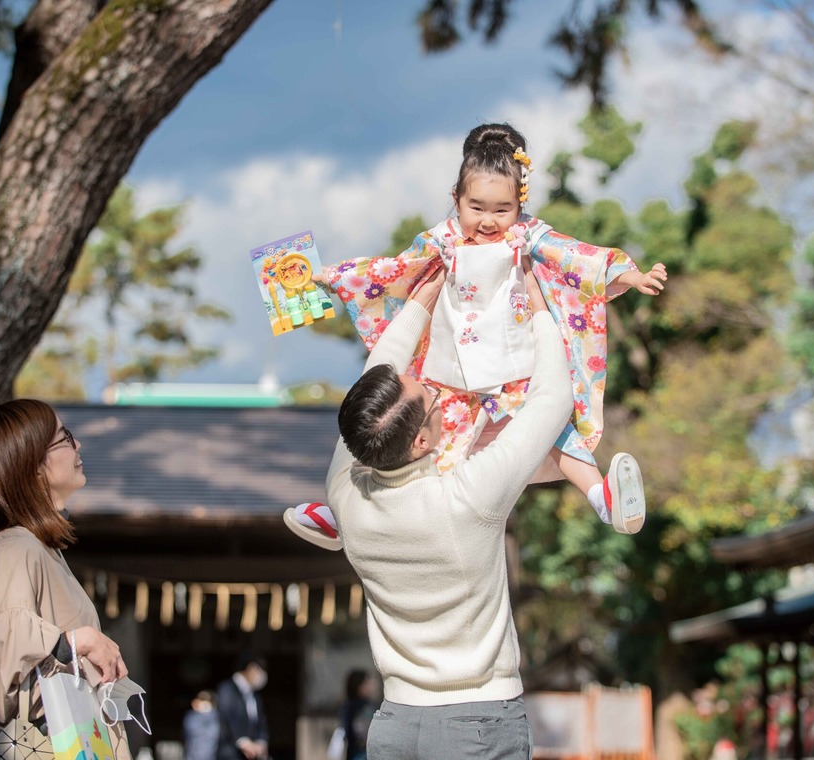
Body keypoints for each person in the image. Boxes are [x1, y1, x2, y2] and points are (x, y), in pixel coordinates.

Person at [285, 122, 666, 550]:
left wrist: (626, 273)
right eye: (477, 207)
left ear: (520, 204)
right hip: (450, 377)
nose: (488, 221)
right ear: (457, 199)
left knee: (555, 430)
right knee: (400, 436)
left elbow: (576, 256)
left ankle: (602, 499)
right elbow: (392, 270)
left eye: (502, 210)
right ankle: (343, 513)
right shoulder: (441, 240)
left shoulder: (528, 237)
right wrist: (326, 276)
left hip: (515, 369)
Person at [316, 261, 572, 758]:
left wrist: (417, 306)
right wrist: (543, 312)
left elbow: (374, 388)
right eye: (432, 401)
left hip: (393, 724)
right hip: (476, 722)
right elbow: (553, 399)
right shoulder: (467, 497)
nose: (436, 392)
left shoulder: (345, 493)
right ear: (421, 440)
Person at [0, 398, 132, 759]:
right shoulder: (14, 548)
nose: (77, 445)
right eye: (64, 437)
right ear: (33, 466)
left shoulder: (33, 548)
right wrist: (75, 641)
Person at [216, 653, 270, 760]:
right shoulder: (227, 689)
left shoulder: (254, 695)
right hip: (231, 753)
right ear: (249, 668)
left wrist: (261, 742)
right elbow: (227, 719)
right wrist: (243, 742)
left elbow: (261, 723)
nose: (261, 675)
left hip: (252, 754)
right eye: (258, 670)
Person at [338, 669, 376, 760]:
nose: (371, 687)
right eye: (367, 683)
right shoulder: (362, 708)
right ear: (359, 685)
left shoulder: (348, 706)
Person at [183, 689, 221, 760]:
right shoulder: (191, 717)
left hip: (211, 755)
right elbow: (191, 730)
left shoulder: (217, 718)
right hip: (193, 755)